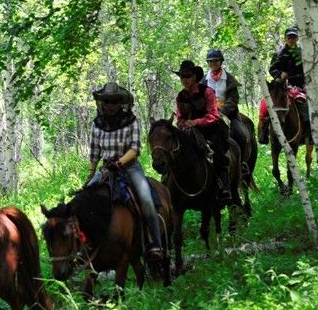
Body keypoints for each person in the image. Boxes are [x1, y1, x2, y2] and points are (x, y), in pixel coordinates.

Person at [85, 83, 163, 259]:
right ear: (102, 103)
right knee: (84, 201)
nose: (111, 105)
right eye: (107, 101)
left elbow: (135, 148)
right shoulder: (97, 124)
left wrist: (119, 163)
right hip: (106, 168)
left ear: (120, 103)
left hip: (130, 167)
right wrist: (91, 174)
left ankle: (156, 244)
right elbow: (94, 151)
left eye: (114, 102)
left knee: (146, 200)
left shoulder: (131, 121)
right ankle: (85, 248)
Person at [174, 60, 232, 201]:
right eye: (182, 77)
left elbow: (213, 115)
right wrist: (182, 124)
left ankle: (223, 186)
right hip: (189, 132)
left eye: (187, 76)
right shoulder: (180, 96)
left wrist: (195, 122)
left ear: (194, 77)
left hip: (209, 130)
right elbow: (179, 117)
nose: (185, 80)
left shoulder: (207, 92)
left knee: (218, 154)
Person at [258, 26, 309, 144]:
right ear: (285, 38)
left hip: (300, 85)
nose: (291, 39)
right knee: (265, 106)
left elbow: (308, 69)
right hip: (281, 86)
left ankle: (307, 135)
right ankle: (264, 133)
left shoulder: (303, 53)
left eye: (294, 37)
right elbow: (272, 68)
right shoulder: (279, 54)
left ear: (297, 39)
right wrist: (280, 74)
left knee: (305, 108)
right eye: (289, 37)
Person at [201, 48, 247, 152]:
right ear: (208, 63)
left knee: (241, 135)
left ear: (221, 61)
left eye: (216, 61)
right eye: (211, 61)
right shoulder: (203, 81)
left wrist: (222, 111)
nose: (213, 63)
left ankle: (242, 163)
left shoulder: (229, 79)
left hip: (228, 114)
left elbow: (233, 98)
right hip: (209, 115)